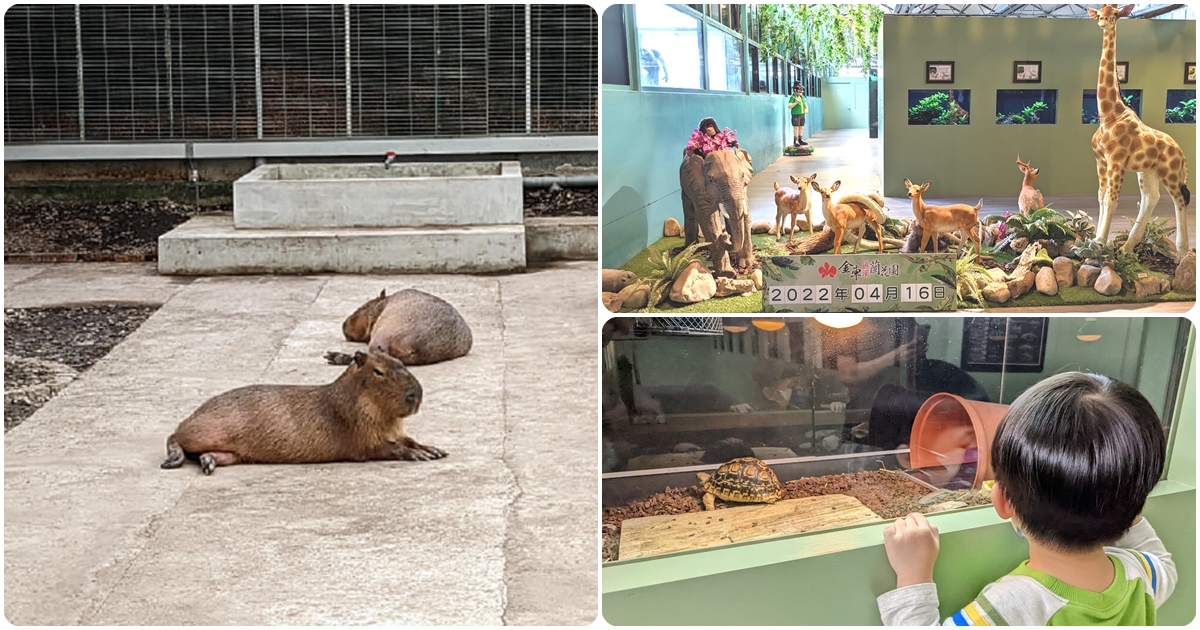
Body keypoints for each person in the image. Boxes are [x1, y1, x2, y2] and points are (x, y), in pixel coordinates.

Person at [878, 372, 1175, 625]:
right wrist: (1120, 496)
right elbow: (1164, 562)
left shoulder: (1014, 606)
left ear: (1002, 501)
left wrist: (913, 574)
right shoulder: (1142, 577)